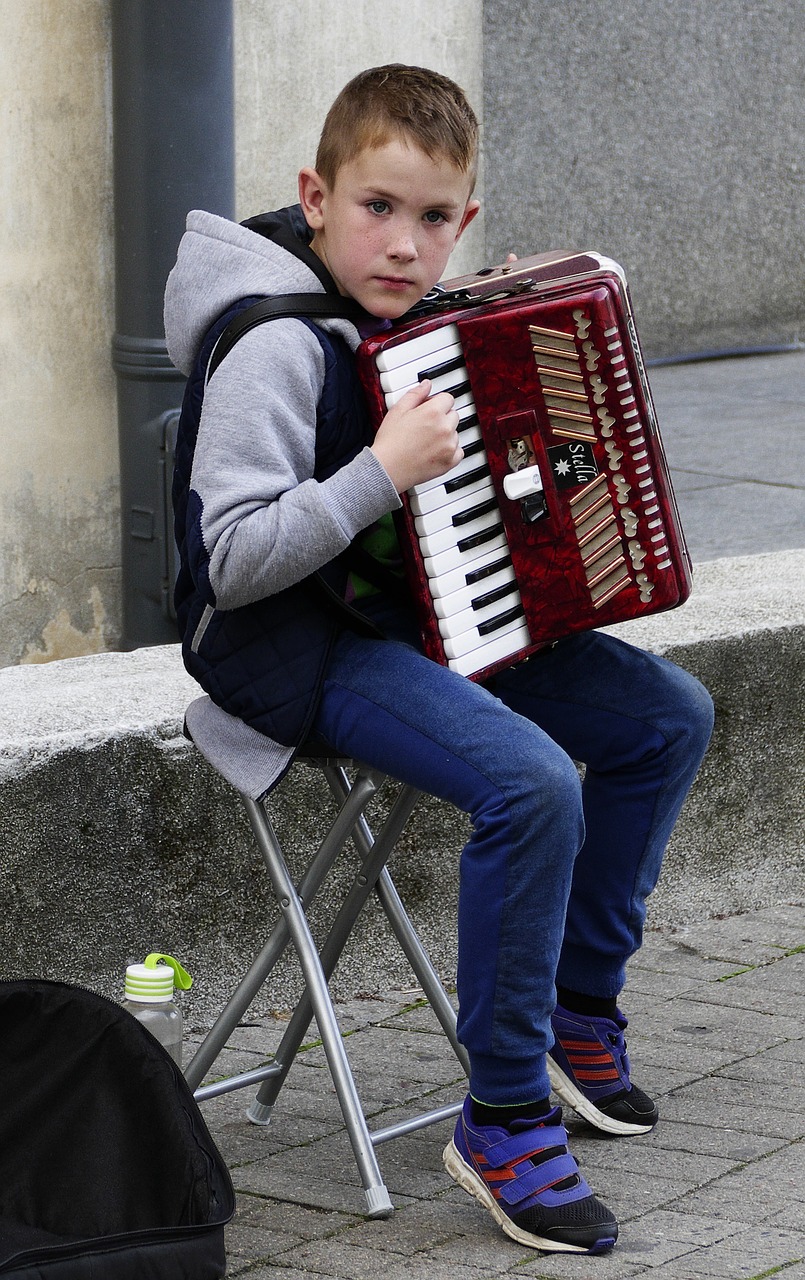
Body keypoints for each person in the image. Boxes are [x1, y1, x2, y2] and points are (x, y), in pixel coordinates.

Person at [164, 63, 714, 1256]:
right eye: (376, 208)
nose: (404, 244)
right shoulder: (273, 340)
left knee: (667, 714)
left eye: (431, 218)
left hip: (413, 615)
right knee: (531, 782)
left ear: (463, 219)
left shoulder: (415, 320)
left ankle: (574, 1016)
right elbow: (232, 558)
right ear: (315, 195)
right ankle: (504, 1117)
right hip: (286, 647)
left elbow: (461, 495)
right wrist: (383, 471)